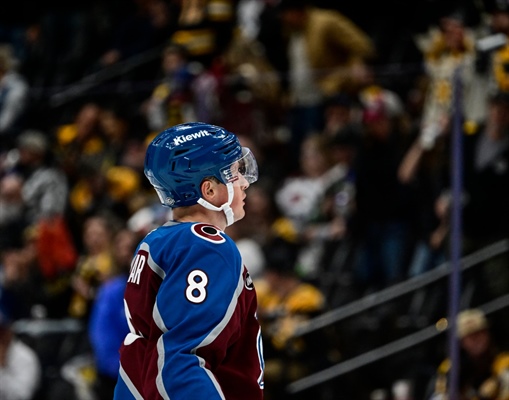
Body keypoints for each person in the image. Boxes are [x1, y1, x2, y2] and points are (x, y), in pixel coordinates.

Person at [113, 122, 264, 399]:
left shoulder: (158, 240)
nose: (243, 181)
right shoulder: (207, 247)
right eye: (233, 173)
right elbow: (183, 358)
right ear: (208, 190)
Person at [429, 308, 509, 399]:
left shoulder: (504, 361)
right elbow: (439, 396)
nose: (477, 340)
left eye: (479, 332)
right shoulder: (451, 368)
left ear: (488, 334)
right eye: (470, 336)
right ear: (461, 342)